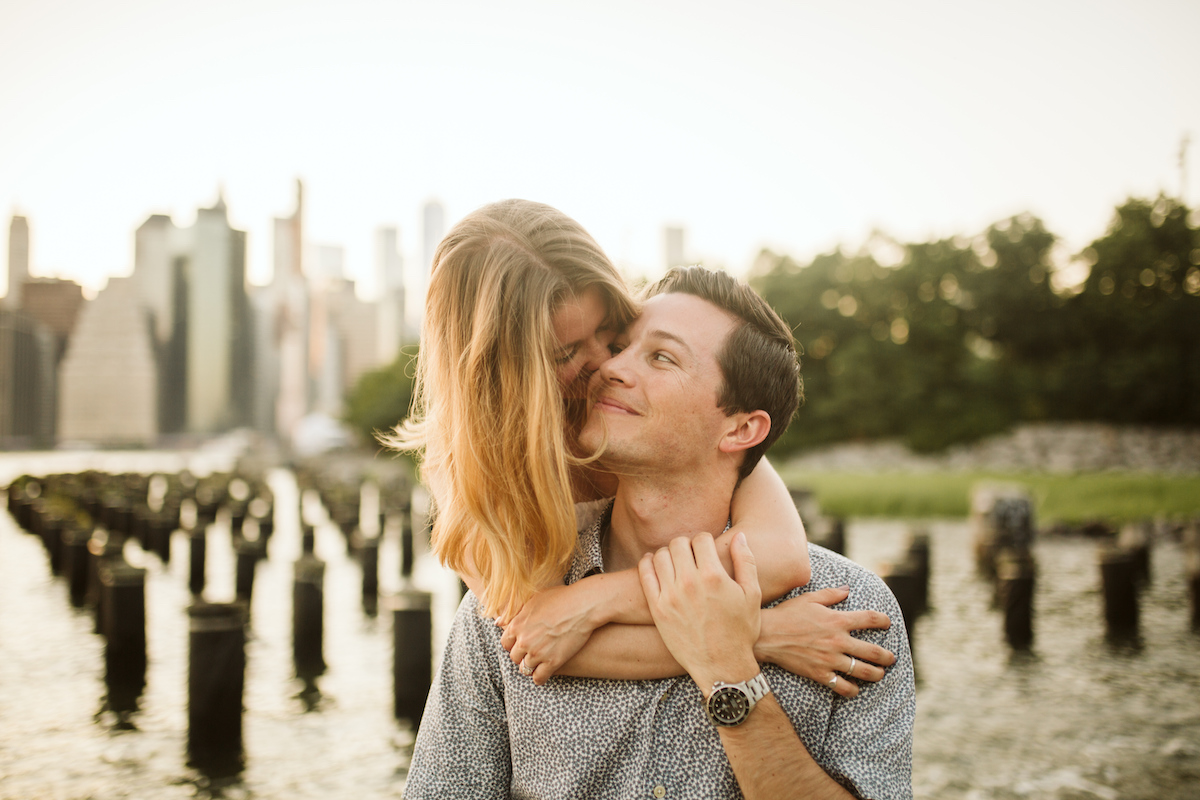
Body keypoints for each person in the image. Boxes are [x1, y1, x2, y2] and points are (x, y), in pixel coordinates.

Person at [403, 267, 915, 799]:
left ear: (741, 429)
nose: (609, 367)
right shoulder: (521, 597)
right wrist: (763, 635)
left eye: (661, 357)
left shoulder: (846, 617)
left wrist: (730, 669)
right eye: (620, 346)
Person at [388, 199, 894, 692]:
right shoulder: (475, 478)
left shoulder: (649, 423)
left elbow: (781, 556)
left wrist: (597, 598)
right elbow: (540, 644)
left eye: (611, 334)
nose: (605, 364)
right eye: (566, 352)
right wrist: (763, 637)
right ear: (500, 375)